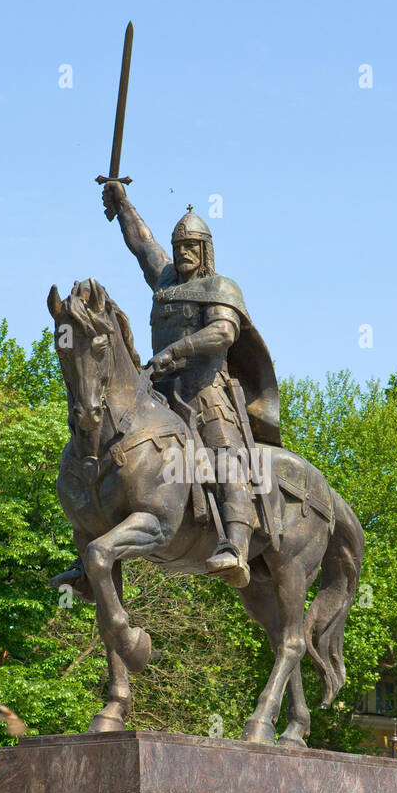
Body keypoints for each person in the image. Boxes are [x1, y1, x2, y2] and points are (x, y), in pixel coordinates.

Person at [101, 183, 281, 589]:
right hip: (159, 390)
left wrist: (176, 350)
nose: (182, 253)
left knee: (224, 453)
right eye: (178, 246)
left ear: (205, 251)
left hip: (205, 389)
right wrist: (122, 203)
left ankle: (235, 545)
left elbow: (221, 334)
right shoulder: (165, 280)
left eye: (191, 246)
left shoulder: (221, 288)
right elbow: (141, 244)